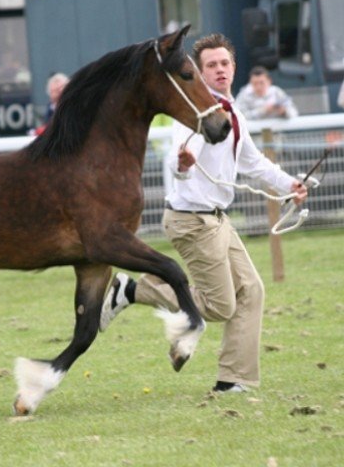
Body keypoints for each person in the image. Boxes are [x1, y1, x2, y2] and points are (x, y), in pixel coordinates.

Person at [100, 33, 308, 394]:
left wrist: (289, 185)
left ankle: (232, 380)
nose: (220, 69)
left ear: (234, 67)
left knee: (252, 291)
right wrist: (183, 165)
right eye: (211, 65)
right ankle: (133, 290)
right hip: (191, 220)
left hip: (218, 219)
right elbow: (176, 161)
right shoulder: (193, 112)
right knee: (220, 305)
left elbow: (254, 163)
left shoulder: (233, 111)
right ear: (199, 72)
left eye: (225, 63)